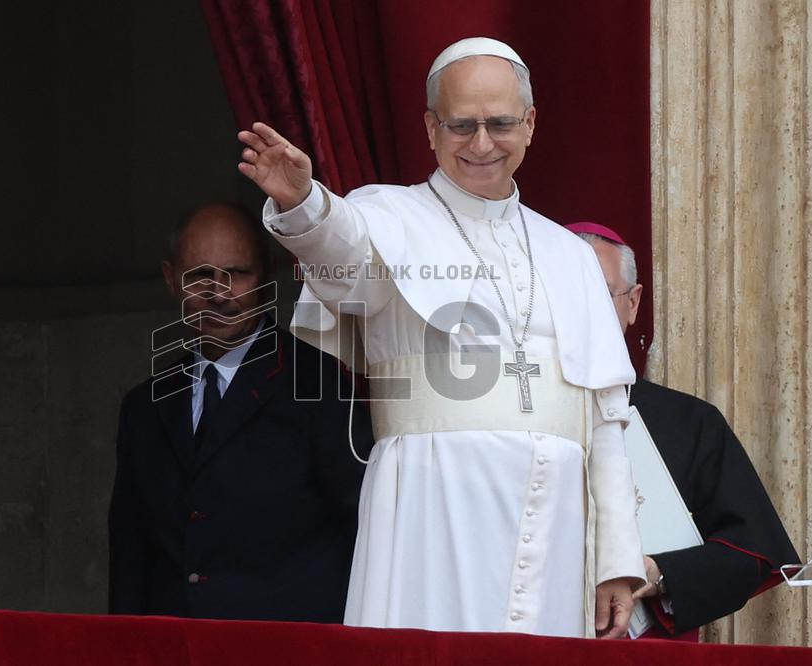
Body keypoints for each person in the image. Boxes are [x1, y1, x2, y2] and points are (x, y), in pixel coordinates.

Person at [237, 37, 645, 638]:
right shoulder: (387, 215)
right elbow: (343, 258)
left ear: (530, 124)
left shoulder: (572, 255)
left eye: (500, 123)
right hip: (431, 504)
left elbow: (606, 420)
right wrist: (304, 203)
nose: (482, 144)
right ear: (430, 127)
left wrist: (617, 559)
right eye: (461, 125)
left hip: (556, 522)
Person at [108, 202, 373, 622]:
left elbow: (364, 530)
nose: (219, 292)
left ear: (266, 277)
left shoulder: (318, 385)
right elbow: (130, 556)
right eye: (200, 275)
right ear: (171, 280)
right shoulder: (144, 407)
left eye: (237, 273)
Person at [567, 220, 799, 639]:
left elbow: (750, 552)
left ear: (633, 303)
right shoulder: (498, 417)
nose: (580, 310)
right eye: (564, 294)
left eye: (600, 293)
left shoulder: (690, 422)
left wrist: (657, 572)